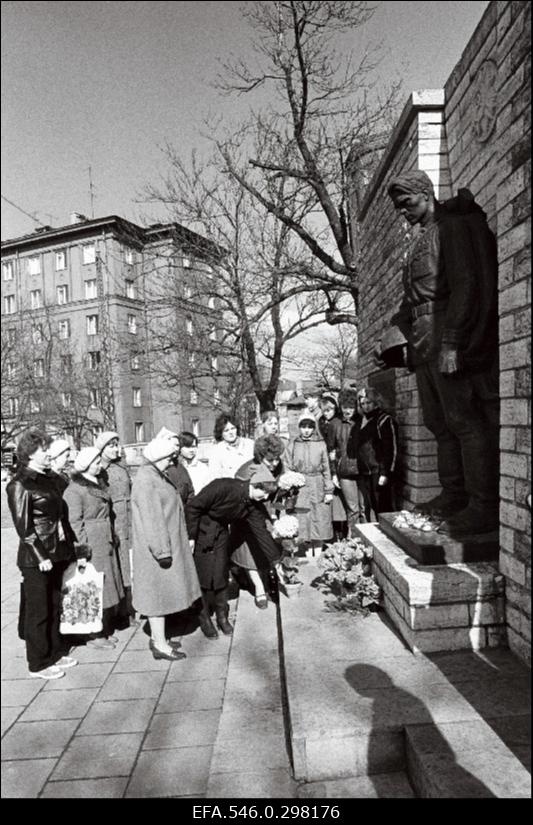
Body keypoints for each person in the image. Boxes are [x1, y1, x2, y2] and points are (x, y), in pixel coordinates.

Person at [386, 170, 499, 535]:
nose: (404, 212)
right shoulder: (420, 239)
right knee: (438, 424)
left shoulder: (451, 228)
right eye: (400, 207)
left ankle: (483, 505)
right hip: (423, 342)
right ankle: (453, 494)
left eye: (408, 203)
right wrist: (399, 342)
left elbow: (466, 284)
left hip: (445, 334)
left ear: (426, 193)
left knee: (464, 420)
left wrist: (452, 341)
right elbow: (412, 298)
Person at [6, 429, 81, 679]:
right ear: (29, 454)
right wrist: (41, 557)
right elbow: (24, 527)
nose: (48, 453)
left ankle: (54, 652)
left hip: (56, 553)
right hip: (36, 559)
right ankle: (37, 663)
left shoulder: (47, 479)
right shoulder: (19, 484)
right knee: (38, 611)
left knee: (53, 605)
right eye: (43, 449)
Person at [186, 467, 282, 639]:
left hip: (221, 532)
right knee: (204, 576)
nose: (266, 497)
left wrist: (275, 560)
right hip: (202, 530)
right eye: (264, 492)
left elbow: (261, 533)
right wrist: (191, 536)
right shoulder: (223, 486)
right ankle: (204, 617)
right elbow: (193, 507)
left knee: (221, 572)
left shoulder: (252, 505)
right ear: (255, 485)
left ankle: (222, 616)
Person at [131, 438, 201, 661]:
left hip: (163, 545)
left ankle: (160, 638)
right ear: (160, 456)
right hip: (157, 549)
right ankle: (159, 645)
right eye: (171, 457)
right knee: (156, 598)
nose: (173, 461)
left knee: (160, 596)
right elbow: (152, 520)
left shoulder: (155, 475)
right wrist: (162, 551)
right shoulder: (146, 480)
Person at [63, 447, 124, 649]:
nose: (100, 464)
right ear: (86, 465)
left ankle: (101, 628)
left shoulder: (97, 483)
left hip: (104, 537)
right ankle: (92, 634)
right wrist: (81, 551)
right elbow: (74, 523)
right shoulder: (75, 490)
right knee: (93, 585)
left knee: (105, 583)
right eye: (96, 461)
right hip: (92, 541)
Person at [232, 435, 285, 608]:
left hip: (270, 514)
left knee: (270, 549)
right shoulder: (247, 471)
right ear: (260, 456)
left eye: (277, 459)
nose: (275, 463)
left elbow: (279, 490)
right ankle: (259, 589)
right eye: (270, 460)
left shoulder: (278, 467)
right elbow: (242, 498)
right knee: (251, 554)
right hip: (248, 516)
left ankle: (270, 580)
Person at [96, 431, 137, 629]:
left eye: (117, 445)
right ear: (101, 449)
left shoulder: (122, 467)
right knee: (118, 568)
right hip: (114, 524)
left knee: (129, 566)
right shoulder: (98, 470)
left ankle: (130, 608)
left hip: (129, 521)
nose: (116, 449)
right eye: (111, 446)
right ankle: (119, 612)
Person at [346, 387, 399, 521]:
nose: (366, 406)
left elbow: (391, 448)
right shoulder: (361, 421)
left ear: (376, 402)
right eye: (363, 404)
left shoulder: (384, 420)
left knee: (384, 507)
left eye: (368, 402)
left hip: (378, 471)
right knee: (372, 506)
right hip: (365, 472)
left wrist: (385, 473)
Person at [285, 414, 333, 555]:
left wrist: (328, 490)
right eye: (303, 427)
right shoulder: (293, 444)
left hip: (317, 484)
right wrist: (292, 481)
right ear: (299, 427)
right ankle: (306, 552)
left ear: (314, 428)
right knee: (303, 519)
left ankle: (318, 553)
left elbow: (326, 468)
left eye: (310, 427)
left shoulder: (320, 443)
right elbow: (287, 464)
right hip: (301, 486)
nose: (306, 430)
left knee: (319, 518)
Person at [329, 388, 363, 535]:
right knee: (353, 509)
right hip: (345, 472)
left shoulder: (361, 421)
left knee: (364, 508)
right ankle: (354, 540)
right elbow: (330, 450)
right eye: (345, 407)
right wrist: (333, 473)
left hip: (362, 471)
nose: (347, 411)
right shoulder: (335, 424)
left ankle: (368, 541)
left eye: (351, 407)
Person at [318, 395, 348, 541]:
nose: (327, 413)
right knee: (331, 502)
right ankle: (333, 534)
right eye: (324, 411)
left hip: (338, 463)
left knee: (341, 502)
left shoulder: (338, 422)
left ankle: (342, 533)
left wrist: (335, 453)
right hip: (326, 463)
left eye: (330, 410)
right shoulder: (321, 423)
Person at [155, 427, 195, 506]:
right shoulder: (156, 469)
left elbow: (190, 492)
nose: (177, 448)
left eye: (178, 446)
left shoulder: (180, 467)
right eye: (174, 445)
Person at [209, 413, 254, 479]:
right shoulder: (217, 451)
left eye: (233, 428)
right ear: (221, 433)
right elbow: (215, 476)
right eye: (226, 430)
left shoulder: (250, 444)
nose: (231, 432)